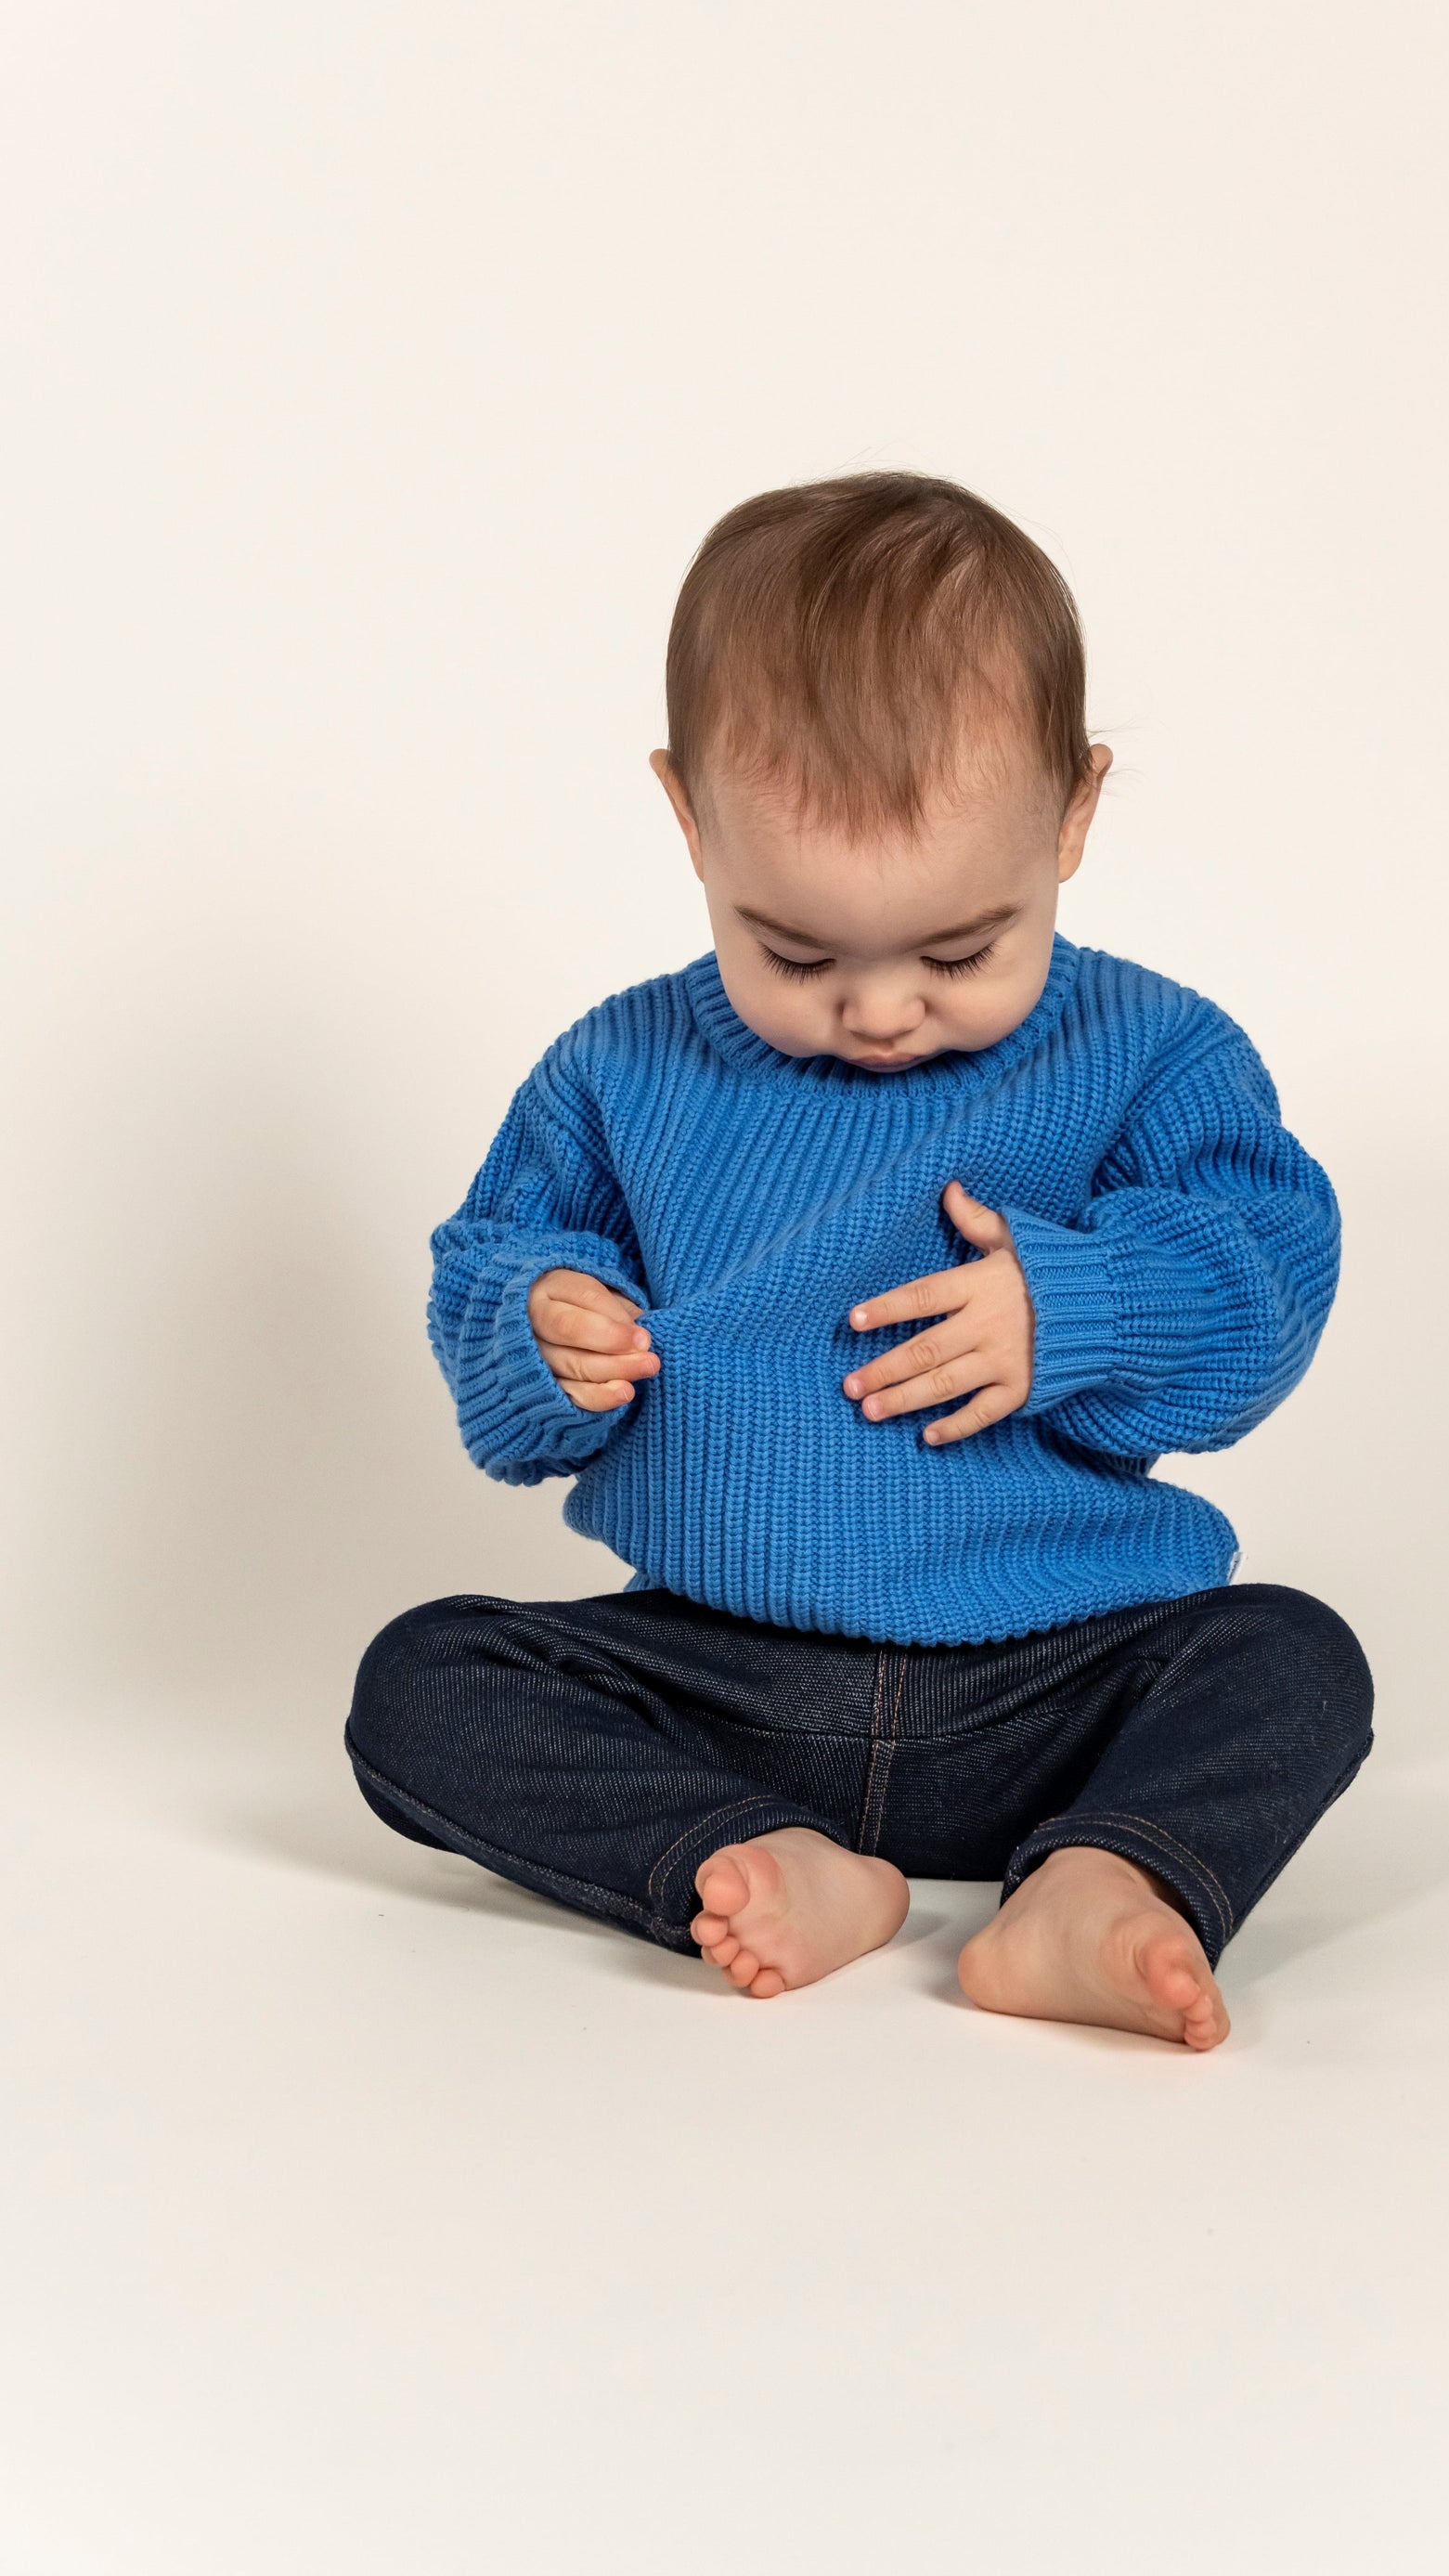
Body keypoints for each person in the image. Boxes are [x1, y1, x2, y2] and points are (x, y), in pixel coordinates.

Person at [346, 473, 1372, 2051]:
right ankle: (754, 1859)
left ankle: (1098, 1881)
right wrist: (539, 1328)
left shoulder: (1154, 1051)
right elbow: (497, 1265)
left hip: (1056, 1679)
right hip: (726, 1685)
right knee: (422, 1682)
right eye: (797, 953)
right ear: (689, 819)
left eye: (962, 950)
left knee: (1291, 1658)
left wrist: (1081, 1304)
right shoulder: (617, 1069)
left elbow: (1268, 1278)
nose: (882, 1010)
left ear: (1075, 812)